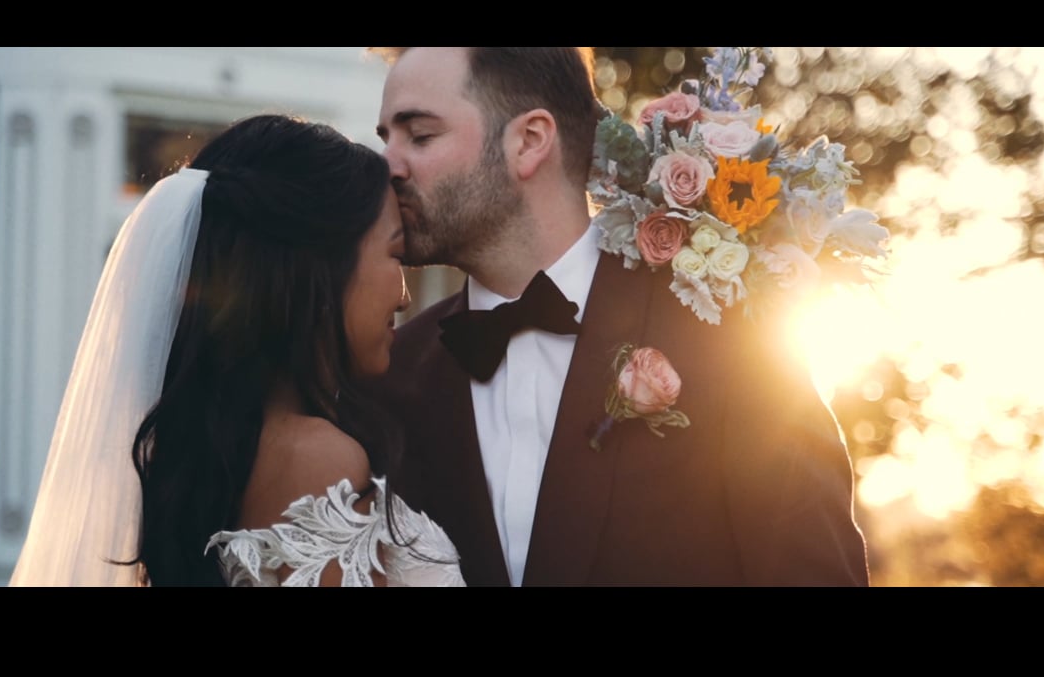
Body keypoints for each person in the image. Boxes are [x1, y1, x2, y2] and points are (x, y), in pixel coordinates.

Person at [371, 47, 870, 586]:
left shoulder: (731, 343)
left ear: (530, 140)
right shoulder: (389, 375)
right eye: (386, 138)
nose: (387, 165)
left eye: (419, 135)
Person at [9, 114, 464, 587]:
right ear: (321, 270)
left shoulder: (202, 453)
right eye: (395, 256)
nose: (404, 296)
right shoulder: (318, 459)